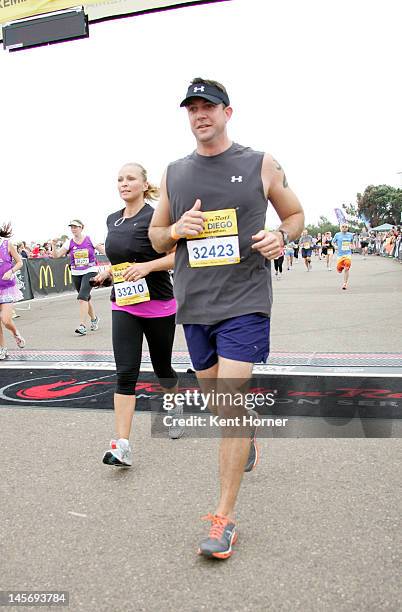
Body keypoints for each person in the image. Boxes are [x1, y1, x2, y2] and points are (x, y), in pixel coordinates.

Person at [149, 77, 304, 559]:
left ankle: (224, 519)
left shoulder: (260, 163)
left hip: (245, 302)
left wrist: (283, 236)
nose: (200, 115)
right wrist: (175, 228)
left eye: (209, 107)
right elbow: (156, 238)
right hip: (196, 307)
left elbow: (295, 214)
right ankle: (249, 433)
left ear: (227, 113)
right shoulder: (175, 172)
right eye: (192, 108)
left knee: (229, 410)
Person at [92, 162, 180, 466]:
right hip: (124, 304)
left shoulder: (157, 216)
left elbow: (176, 257)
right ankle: (122, 445)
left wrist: (146, 267)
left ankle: (173, 404)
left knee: (162, 368)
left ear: (145, 184)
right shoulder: (111, 220)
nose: (124, 183)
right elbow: (121, 260)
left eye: (130, 178)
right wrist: (107, 272)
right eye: (119, 179)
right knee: (125, 373)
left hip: (158, 305)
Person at [51, 220, 101, 335]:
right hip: (76, 272)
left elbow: (104, 250)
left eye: (76, 227)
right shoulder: (69, 243)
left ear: (82, 228)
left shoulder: (90, 239)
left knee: (82, 297)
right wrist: (53, 245)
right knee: (86, 298)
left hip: (90, 271)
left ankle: (82, 325)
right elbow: (56, 255)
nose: (73, 229)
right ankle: (94, 318)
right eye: (72, 227)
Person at [0, 223, 26, 359]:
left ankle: (15, 332)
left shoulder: (6, 244)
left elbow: (19, 262)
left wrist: (10, 271)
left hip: (7, 287)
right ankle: (2, 349)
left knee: (5, 320)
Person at [332, 223, 354, 289]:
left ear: (347, 228)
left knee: (347, 267)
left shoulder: (350, 235)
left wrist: (352, 245)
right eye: (343, 227)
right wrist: (335, 246)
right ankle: (339, 268)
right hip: (340, 255)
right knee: (339, 269)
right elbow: (332, 242)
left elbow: (352, 242)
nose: (344, 228)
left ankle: (345, 283)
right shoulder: (337, 235)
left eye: (346, 227)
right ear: (340, 228)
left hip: (347, 254)